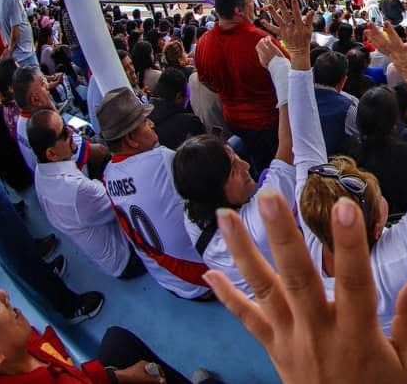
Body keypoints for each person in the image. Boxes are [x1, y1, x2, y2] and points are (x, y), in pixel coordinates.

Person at [275, 0, 407, 377]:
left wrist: (299, 57)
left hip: (366, 360)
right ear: (377, 227)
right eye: (378, 200)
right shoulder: (401, 258)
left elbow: (306, 150)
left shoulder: (314, 232)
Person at [173, 39, 295, 299]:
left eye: (235, 158)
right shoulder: (260, 223)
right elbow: (290, 145)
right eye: (233, 170)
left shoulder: (192, 213)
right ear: (214, 190)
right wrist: (281, 68)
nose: (246, 165)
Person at [97, 87, 210, 300]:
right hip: (204, 279)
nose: (151, 123)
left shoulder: (108, 175)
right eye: (144, 122)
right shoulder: (161, 160)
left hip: (167, 278)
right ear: (131, 138)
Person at [0, 290, 216, 384]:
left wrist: (117, 376)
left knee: (117, 343)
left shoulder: (20, 350)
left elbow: (75, 374)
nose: (3, 294)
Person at [29, 109, 144, 280]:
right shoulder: (76, 190)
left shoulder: (41, 170)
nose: (71, 132)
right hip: (127, 257)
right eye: (64, 133)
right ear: (51, 154)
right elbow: (123, 201)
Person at [194, 0, 279, 176]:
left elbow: (207, 81)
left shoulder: (204, 43)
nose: (255, 3)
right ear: (238, 10)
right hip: (270, 125)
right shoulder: (261, 41)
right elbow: (294, 75)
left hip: (235, 123)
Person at [148, 69, 205, 151]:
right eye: (186, 95)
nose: (187, 98)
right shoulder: (190, 122)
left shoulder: (146, 122)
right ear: (179, 97)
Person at [0, 0, 36, 67]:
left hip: (19, 56)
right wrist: (9, 51)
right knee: (38, 82)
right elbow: (15, 33)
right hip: (25, 55)